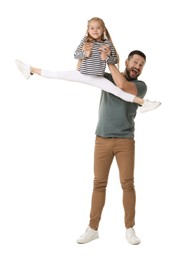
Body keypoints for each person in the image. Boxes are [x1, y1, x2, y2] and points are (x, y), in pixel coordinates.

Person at [76, 50, 152, 245]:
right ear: (126, 62)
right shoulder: (108, 78)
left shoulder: (140, 86)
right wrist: (87, 52)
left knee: (127, 184)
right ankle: (93, 229)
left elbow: (123, 86)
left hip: (125, 141)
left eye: (141, 64)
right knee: (98, 184)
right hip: (101, 139)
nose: (137, 66)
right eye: (135, 62)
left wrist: (109, 61)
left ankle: (130, 229)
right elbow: (81, 71)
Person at [15, 17, 161, 113]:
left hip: (96, 77)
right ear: (88, 30)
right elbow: (75, 55)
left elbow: (115, 59)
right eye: (92, 28)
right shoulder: (86, 42)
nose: (95, 30)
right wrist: (84, 54)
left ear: (103, 30)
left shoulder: (107, 43)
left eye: (98, 28)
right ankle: (30, 70)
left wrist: (107, 57)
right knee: (57, 74)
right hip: (81, 73)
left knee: (119, 92)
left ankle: (143, 104)